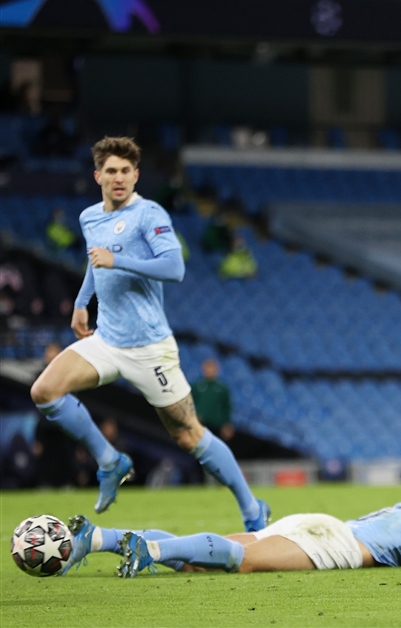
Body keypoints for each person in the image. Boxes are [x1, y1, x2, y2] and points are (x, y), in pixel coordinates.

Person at [30, 136, 269, 533]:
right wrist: (80, 301)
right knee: (44, 391)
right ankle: (110, 461)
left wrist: (118, 259)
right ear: (97, 176)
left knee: (190, 436)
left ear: (136, 175)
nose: (119, 177)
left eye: (126, 170)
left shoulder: (149, 214)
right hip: (106, 339)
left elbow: (174, 267)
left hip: (150, 350)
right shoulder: (90, 218)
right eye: (111, 171)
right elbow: (95, 261)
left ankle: (251, 507)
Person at [59, 480, 401, 582]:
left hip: (315, 525)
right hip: (335, 545)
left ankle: (101, 539)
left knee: (211, 554)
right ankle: (145, 549)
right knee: (237, 561)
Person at [191, 358, 235, 443]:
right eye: (208, 368)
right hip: (201, 424)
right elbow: (190, 402)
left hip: (216, 426)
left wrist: (227, 424)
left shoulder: (222, 388)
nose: (210, 371)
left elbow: (227, 407)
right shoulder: (198, 386)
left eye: (212, 369)